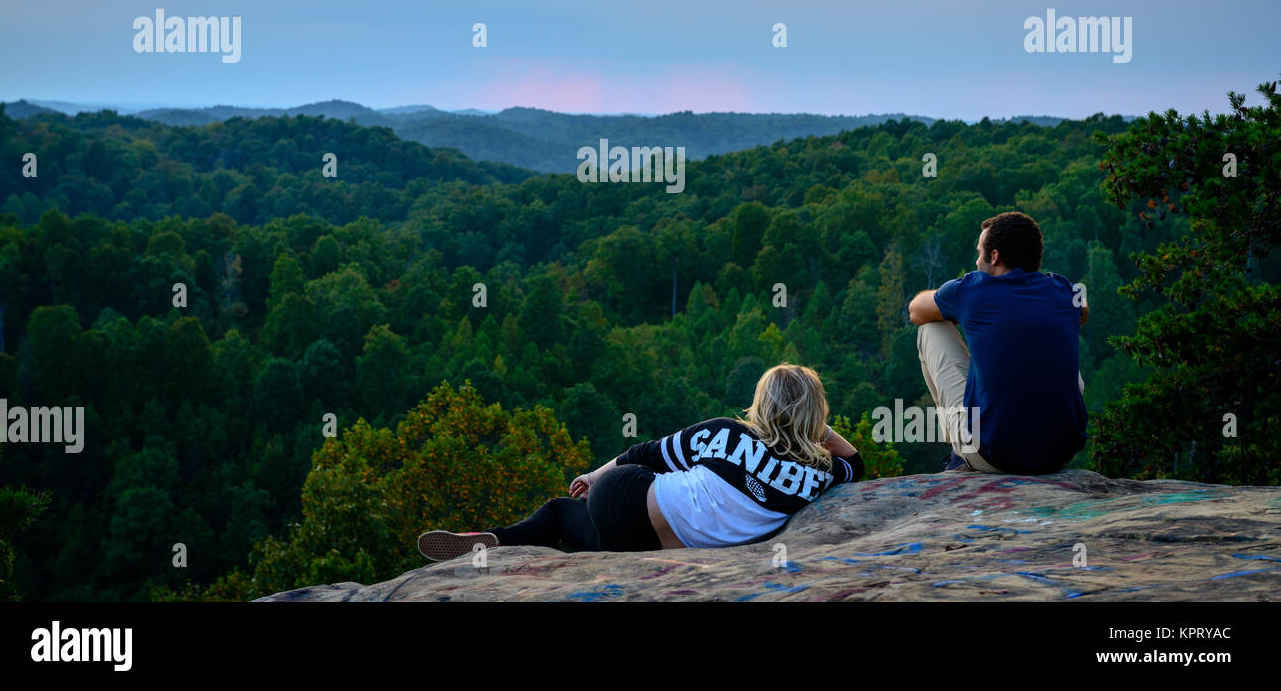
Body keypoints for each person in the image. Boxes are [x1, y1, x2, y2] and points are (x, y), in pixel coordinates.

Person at [417, 363, 864, 561]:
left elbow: (643, 452)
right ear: (816, 414)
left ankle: (485, 540)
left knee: (559, 511)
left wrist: (594, 476)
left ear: (759, 406)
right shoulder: (818, 475)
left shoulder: (728, 431)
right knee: (570, 521)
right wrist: (813, 429)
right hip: (652, 544)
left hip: (626, 504)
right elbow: (855, 463)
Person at [907, 211, 1088, 474]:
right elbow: (1083, 310)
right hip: (1060, 454)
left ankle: (961, 452)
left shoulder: (971, 289)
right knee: (1050, 352)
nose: (976, 260)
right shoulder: (1063, 290)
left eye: (980, 253)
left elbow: (916, 311)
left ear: (994, 257)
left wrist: (961, 310)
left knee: (931, 329)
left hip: (996, 457)